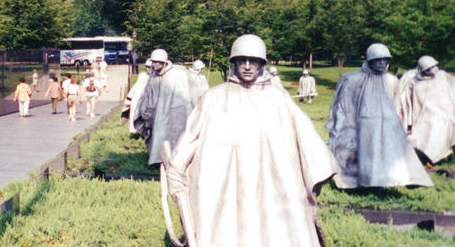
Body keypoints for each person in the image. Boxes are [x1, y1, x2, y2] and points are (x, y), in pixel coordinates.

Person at [163, 34, 339, 247]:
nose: (247, 66)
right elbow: (191, 136)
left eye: (253, 60)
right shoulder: (215, 97)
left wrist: (318, 169)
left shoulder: (277, 97)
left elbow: (306, 136)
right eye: (241, 60)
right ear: (234, 63)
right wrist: (176, 168)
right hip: (225, 184)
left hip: (271, 183)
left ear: (262, 63)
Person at [326, 43, 432, 188]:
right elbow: (345, 104)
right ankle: (361, 183)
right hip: (364, 123)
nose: (382, 63)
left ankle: (399, 180)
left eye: (385, 60)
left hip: (387, 123)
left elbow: (398, 104)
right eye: (378, 60)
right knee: (361, 154)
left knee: (393, 152)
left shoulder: (391, 80)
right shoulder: (353, 79)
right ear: (370, 60)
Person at [137, 49, 202, 165]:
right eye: (153, 62)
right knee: (159, 138)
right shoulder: (153, 77)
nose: (154, 64)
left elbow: (191, 91)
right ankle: (159, 161)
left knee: (178, 138)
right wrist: (146, 112)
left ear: (165, 63)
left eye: (157, 62)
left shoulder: (178, 74)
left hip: (178, 113)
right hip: (159, 115)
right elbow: (148, 96)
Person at [394, 55, 455, 164]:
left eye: (435, 66)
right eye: (431, 68)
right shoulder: (415, 81)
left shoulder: (442, 76)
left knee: (444, 127)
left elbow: (452, 86)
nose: (435, 69)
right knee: (426, 131)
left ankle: (441, 156)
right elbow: (409, 100)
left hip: (444, 113)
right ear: (425, 70)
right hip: (424, 115)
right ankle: (428, 158)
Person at [122, 59, 153, 133]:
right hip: (138, 98)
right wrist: (129, 99)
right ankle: (134, 131)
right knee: (135, 114)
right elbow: (136, 87)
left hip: (150, 101)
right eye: (147, 67)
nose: (148, 69)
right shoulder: (143, 76)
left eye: (150, 67)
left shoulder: (156, 77)